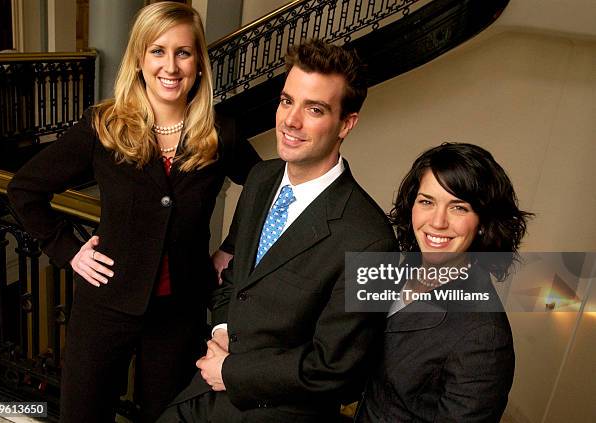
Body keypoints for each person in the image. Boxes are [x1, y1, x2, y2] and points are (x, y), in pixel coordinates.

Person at [6, 2, 260, 422]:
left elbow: (266, 191)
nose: (171, 66)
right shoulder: (103, 126)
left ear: (198, 62)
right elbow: (24, 189)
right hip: (104, 304)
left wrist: (232, 247)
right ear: (139, 59)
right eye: (158, 51)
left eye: (184, 52)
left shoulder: (221, 133)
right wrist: (67, 249)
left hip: (179, 312)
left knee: (168, 417)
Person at [156, 39, 398, 423]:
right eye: (287, 101)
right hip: (206, 389)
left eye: (314, 109)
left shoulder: (375, 243)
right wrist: (221, 330)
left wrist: (233, 372)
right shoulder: (261, 178)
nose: (291, 121)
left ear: (346, 124)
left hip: (281, 412)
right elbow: (236, 279)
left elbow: (337, 371)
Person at [355, 143, 533, 422]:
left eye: (458, 208)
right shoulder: (397, 270)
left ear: (484, 222)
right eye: (426, 202)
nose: (437, 222)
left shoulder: (484, 336)